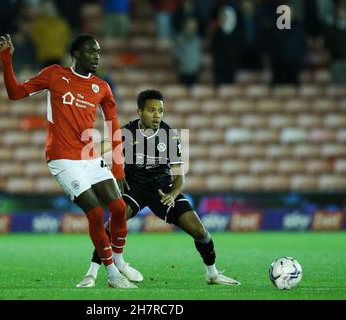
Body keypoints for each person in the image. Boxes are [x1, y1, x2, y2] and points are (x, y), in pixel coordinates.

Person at [0, 33, 139, 289]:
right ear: (76, 55)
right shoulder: (54, 74)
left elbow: (112, 125)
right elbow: (15, 93)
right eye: (91, 51)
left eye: (98, 52)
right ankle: (112, 275)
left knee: (118, 209)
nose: (97, 56)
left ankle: (119, 260)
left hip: (89, 156)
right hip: (62, 157)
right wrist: (6, 59)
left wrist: (118, 167)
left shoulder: (102, 87)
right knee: (95, 213)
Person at [77, 89, 240, 288]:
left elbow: (179, 176)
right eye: (152, 110)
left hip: (162, 190)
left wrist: (173, 194)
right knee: (113, 223)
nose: (157, 115)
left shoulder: (169, 136)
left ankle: (212, 273)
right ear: (140, 112)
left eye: (160, 111)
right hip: (134, 187)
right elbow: (100, 148)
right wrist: (87, 157)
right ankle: (91, 272)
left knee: (199, 230)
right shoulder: (127, 132)